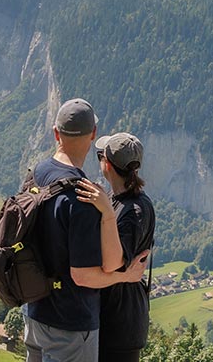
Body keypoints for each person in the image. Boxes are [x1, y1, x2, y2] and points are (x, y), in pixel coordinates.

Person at [24, 99, 148, 362]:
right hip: (70, 322)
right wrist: (126, 277)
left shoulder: (37, 173)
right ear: (93, 134)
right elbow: (83, 276)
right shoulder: (83, 197)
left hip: (35, 312)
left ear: (56, 133)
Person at [76, 132, 156, 362]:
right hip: (111, 319)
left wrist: (106, 212)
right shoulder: (116, 198)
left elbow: (112, 264)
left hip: (120, 327)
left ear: (107, 164)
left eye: (100, 155)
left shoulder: (135, 211)